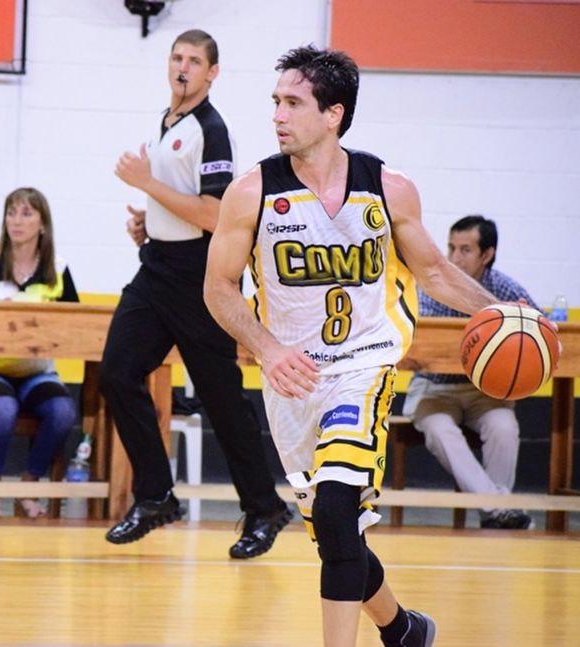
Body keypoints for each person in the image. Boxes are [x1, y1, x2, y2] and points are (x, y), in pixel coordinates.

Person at [202, 45, 515, 646]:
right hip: (291, 380)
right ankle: (402, 630)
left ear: (333, 114)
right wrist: (267, 349)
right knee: (336, 534)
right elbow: (218, 288)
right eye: (276, 102)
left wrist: (506, 313)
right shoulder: (251, 192)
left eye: (293, 103)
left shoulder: (388, 188)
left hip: (363, 369)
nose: (278, 115)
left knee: (338, 507)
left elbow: (435, 271)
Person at [99, 28, 292, 558]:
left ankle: (265, 508)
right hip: (156, 268)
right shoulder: (168, 122)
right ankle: (156, 496)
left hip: (200, 277)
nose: (183, 67)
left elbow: (213, 213)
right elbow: (182, 202)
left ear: (212, 73)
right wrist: (151, 222)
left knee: (221, 399)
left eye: (194, 60)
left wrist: (146, 184)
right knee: (116, 372)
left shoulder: (212, 129)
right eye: (177, 57)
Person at [402, 215, 538, 530]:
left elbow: (540, 327)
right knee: (440, 429)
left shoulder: (503, 287)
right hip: (434, 389)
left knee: (504, 426)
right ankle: (499, 510)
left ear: (487, 255)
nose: (454, 257)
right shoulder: (430, 287)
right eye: (451, 248)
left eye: (465, 250)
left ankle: (495, 513)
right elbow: (419, 341)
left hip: (484, 393)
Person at [0, 187, 78, 518]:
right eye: (11, 213)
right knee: (3, 407)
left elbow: (75, 327)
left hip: (35, 374)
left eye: (26, 213)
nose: (16, 221)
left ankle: (27, 487)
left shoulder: (58, 269)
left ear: (43, 224)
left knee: (63, 411)